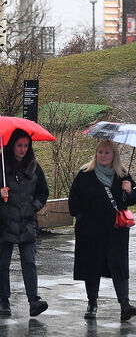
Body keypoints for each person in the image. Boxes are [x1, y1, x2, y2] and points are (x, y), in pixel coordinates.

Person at [68, 139, 136, 322]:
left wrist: (129, 191)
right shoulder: (85, 174)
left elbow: (133, 198)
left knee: (119, 266)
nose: (102, 155)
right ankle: (92, 304)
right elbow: (74, 199)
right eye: (100, 152)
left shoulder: (122, 175)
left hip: (116, 231)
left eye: (107, 152)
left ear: (114, 155)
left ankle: (125, 304)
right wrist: (82, 218)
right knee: (92, 266)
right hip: (91, 231)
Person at [0, 128, 49, 318]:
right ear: (12, 145)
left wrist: (33, 207)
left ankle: (33, 300)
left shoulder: (34, 167)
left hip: (27, 222)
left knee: (29, 261)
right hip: (4, 222)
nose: (22, 149)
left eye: (26, 146)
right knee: (3, 263)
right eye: (19, 145)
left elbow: (43, 192)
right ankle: (4, 300)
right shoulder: (2, 165)